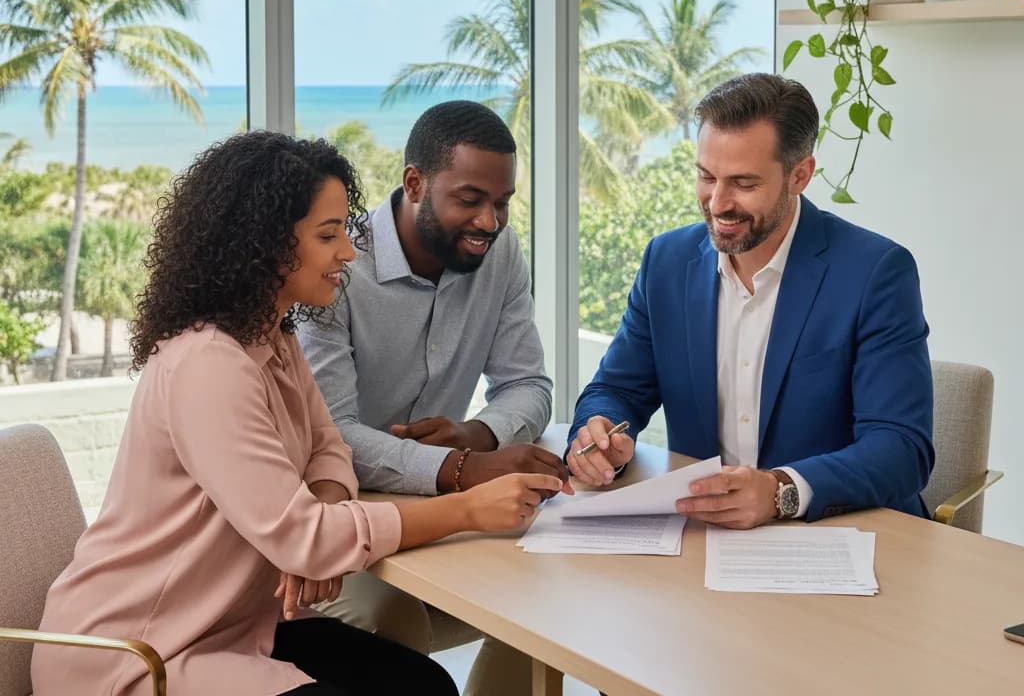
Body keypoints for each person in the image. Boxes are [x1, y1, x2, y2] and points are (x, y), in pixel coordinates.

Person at [31, 132, 567, 696]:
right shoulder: (207, 364)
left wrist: (323, 527)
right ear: (264, 244)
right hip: (137, 654)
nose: (348, 253)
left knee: (422, 686)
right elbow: (304, 535)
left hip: (231, 628)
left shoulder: (272, 335)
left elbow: (327, 444)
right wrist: (466, 509)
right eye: (328, 235)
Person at [568, 73, 934, 528]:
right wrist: (600, 433)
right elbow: (617, 389)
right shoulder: (666, 261)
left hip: (846, 535)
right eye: (706, 176)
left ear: (800, 174)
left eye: (743, 183)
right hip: (707, 538)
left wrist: (781, 490)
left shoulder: (875, 272)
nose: (718, 202)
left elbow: (901, 448)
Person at [299, 100, 562, 696]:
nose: (490, 222)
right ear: (414, 183)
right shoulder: (334, 265)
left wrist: (478, 433)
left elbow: (528, 385)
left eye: (502, 203)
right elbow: (332, 435)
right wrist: (463, 469)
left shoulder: (501, 253)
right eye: (470, 200)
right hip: (331, 513)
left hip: (434, 509)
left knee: (544, 581)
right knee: (387, 619)